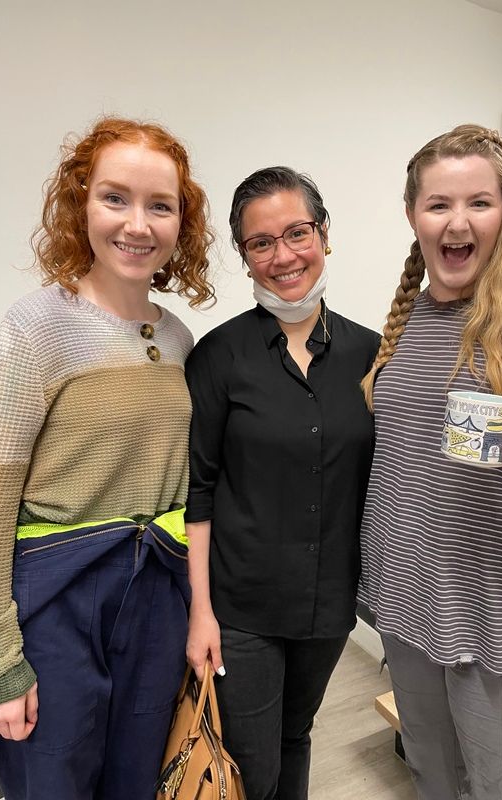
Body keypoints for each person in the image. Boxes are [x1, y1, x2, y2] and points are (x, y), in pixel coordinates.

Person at [359, 123, 502, 800]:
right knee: (432, 779)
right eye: (438, 205)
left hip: (499, 621)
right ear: (413, 216)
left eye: (479, 203)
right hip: (411, 610)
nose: (457, 222)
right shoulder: (406, 325)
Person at [0, 116, 213, 800]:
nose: (137, 224)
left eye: (161, 205)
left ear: (183, 222)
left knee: (135, 777)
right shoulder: (36, 328)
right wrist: (1, 660)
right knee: (51, 779)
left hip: (156, 597)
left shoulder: (179, 340)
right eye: (115, 198)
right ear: (80, 204)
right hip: (53, 599)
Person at [184, 166, 379, 800]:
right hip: (242, 608)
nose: (283, 256)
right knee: (250, 762)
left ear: (324, 234)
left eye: (296, 233)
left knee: (297, 734)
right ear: (244, 257)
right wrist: (201, 612)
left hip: (328, 602)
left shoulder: (373, 355)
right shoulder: (218, 357)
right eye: (260, 243)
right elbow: (201, 492)